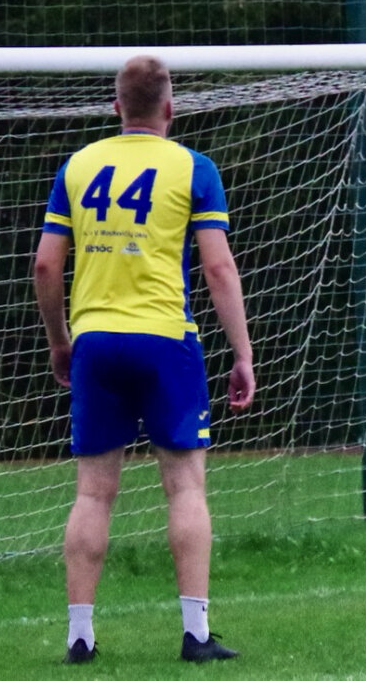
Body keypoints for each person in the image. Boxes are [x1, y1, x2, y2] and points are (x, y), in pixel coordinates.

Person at [33, 55, 255, 665]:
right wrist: (242, 353)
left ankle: (80, 637)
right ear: (169, 108)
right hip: (165, 340)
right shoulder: (193, 167)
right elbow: (218, 267)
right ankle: (195, 634)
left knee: (92, 493)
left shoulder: (78, 165)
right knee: (184, 486)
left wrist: (60, 341)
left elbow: (46, 265)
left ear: (115, 107)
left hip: (96, 342)